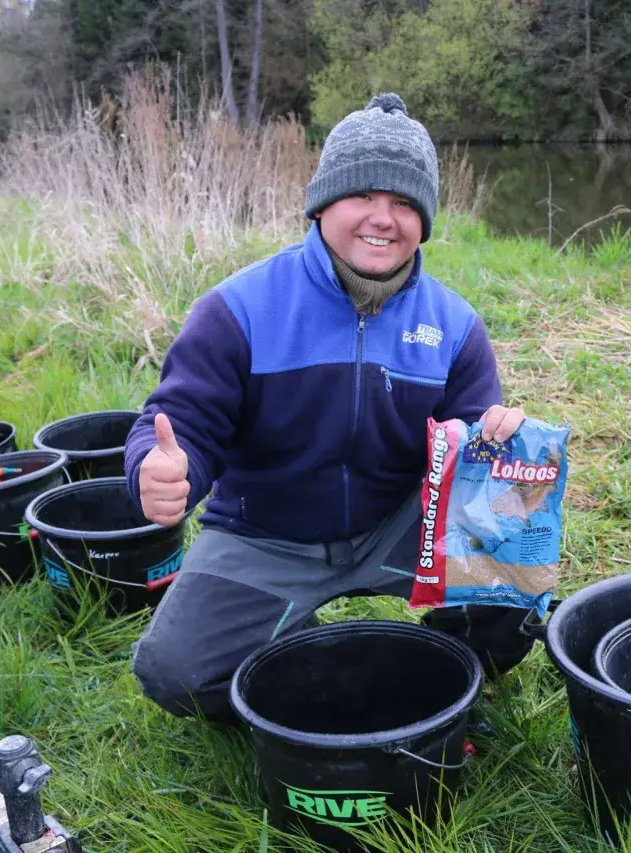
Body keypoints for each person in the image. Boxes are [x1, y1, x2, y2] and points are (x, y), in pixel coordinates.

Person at [123, 92, 538, 722]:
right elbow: (180, 429)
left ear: (424, 219)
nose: (383, 218)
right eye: (363, 196)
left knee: (519, 590)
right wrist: (158, 471)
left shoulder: (454, 326)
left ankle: (437, 681)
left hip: (399, 526)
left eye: (404, 202)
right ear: (323, 204)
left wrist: (499, 449)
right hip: (266, 533)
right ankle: (298, 647)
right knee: (173, 674)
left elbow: (471, 460)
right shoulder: (238, 309)